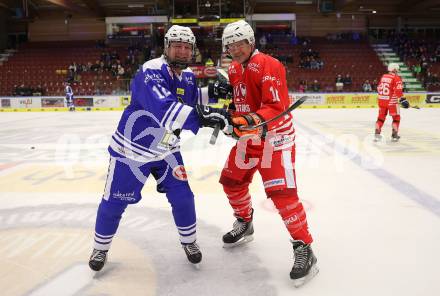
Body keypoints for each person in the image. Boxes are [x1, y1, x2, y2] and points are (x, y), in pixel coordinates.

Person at [88, 25, 231, 271]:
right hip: (131, 152)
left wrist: (212, 93)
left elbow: (190, 98)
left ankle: (189, 242)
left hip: (166, 151)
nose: (183, 51)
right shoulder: (151, 71)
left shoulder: (186, 77)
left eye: (187, 47)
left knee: (184, 198)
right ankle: (100, 248)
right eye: (178, 46)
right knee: (113, 204)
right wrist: (208, 116)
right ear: (166, 47)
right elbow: (166, 109)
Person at [219, 20, 318, 287]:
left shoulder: (268, 64)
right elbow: (243, 103)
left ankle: (304, 248)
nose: (234, 49)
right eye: (230, 45)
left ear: (251, 42)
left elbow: (275, 107)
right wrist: (231, 116)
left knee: (283, 196)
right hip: (250, 139)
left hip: (276, 139)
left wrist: (246, 120)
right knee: (232, 181)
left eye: (239, 43)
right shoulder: (235, 68)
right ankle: (245, 222)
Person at [375, 63, 409, 142]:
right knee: (396, 118)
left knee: (380, 118)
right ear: (395, 69)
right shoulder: (396, 78)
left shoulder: (383, 76)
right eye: (397, 70)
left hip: (381, 100)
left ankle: (377, 133)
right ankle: (394, 134)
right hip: (392, 102)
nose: (397, 71)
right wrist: (403, 100)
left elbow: (378, 88)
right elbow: (398, 91)